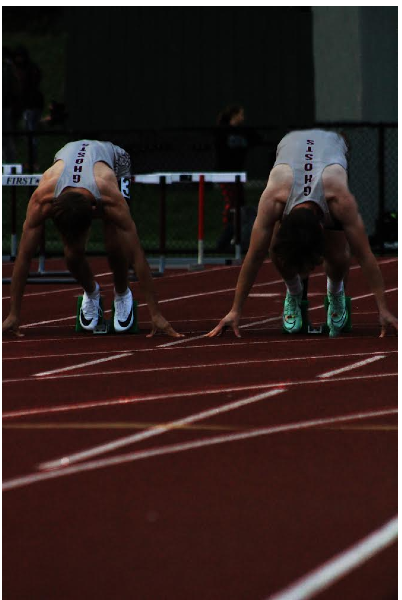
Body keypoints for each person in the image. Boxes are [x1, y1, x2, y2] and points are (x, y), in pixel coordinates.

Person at [206, 129, 398, 339]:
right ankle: (295, 293)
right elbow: (254, 255)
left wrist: (383, 310)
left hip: (331, 149)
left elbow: (364, 255)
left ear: (322, 227)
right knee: (273, 249)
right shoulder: (273, 197)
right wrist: (235, 310)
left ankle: (335, 293)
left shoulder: (339, 198)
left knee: (338, 253)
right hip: (291, 146)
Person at [2, 139, 184, 339]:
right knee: (71, 254)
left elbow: (137, 255)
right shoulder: (42, 200)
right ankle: (91, 292)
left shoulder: (109, 196)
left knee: (115, 243)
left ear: (94, 212)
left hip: (115, 161)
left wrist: (156, 315)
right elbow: (24, 257)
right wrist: (13, 314)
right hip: (66, 153)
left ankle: (122, 294)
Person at [214, 104, 260, 252]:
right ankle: (225, 239)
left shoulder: (244, 132)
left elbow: (257, 138)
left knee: (241, 205)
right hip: (225, 174)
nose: (243, 117)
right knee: (232, 204)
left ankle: (237, 238)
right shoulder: (223, 131)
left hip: (238, 174)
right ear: (234, 115)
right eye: (240, 114)